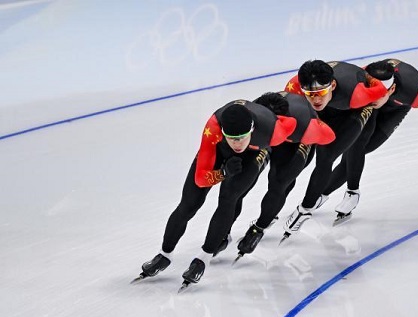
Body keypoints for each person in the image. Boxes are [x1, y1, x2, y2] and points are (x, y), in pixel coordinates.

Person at [134, 99, 296, 287]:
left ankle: (204, 258)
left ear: (251, 130)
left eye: (242, 137)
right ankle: (164, 254)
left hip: (254, 154)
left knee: (229, 198)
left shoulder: (273, 130)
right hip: (218, 150)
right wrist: (222, 173)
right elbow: (201, 179)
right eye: (232, 138)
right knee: (189, 203)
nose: (237, 144)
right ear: (223, 132)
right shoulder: (213, 128)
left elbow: (296, 123)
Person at [279, 59, 388, 242]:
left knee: (329, 155)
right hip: (329, 111)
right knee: (314, 149)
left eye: (321, 92)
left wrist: (371, 81)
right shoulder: (293, 89)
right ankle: (316, 198)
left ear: (333, 85)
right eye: (310, 94)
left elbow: (380, 90)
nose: (316, 98)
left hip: (356, 110)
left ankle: (311, 207)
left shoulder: (356, 93)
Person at [321, 58, 418, 224]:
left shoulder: (412, 91)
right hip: (367, 102)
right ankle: (345, 193)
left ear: (393, 88)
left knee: (363, 149)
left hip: (394, 110)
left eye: (380, 92)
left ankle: (327, 193)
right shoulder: (360, 77)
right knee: (355, 144)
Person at [233, 91, 336, 259]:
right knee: (247, 178)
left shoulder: (304, 124)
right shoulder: (254, 111)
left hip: (297, 141)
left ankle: (259, 228)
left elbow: (329, 138)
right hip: (273, 136)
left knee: (280, 182)